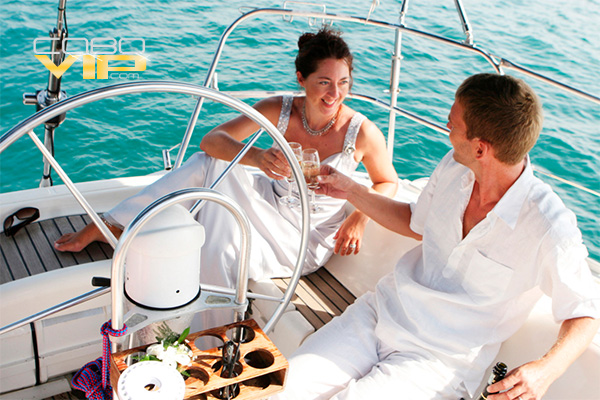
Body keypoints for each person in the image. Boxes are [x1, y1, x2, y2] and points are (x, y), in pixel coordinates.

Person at [274, 74, 600, 400]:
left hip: (437, 361)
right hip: (379, 314)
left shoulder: (548, 226)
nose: (447, 128)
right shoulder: (454, 168)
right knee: (281, 390)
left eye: (452, 124)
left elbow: (585, 311)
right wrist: (350, 190)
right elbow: (414, 222)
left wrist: (545, 371)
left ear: (480, 148)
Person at [54, 28, 397, 285]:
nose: (335, 93)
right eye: (324, 82)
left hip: (307, 237)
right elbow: (211, 141)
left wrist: (359, 217)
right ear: (301, 79)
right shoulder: (279, 109)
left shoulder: (362, 132)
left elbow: (387, 182)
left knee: (222, 243)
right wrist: (258, 157)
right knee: (210, 162)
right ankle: (113, 224)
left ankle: (150, 242)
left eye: (343, 82)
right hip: (268, 204)